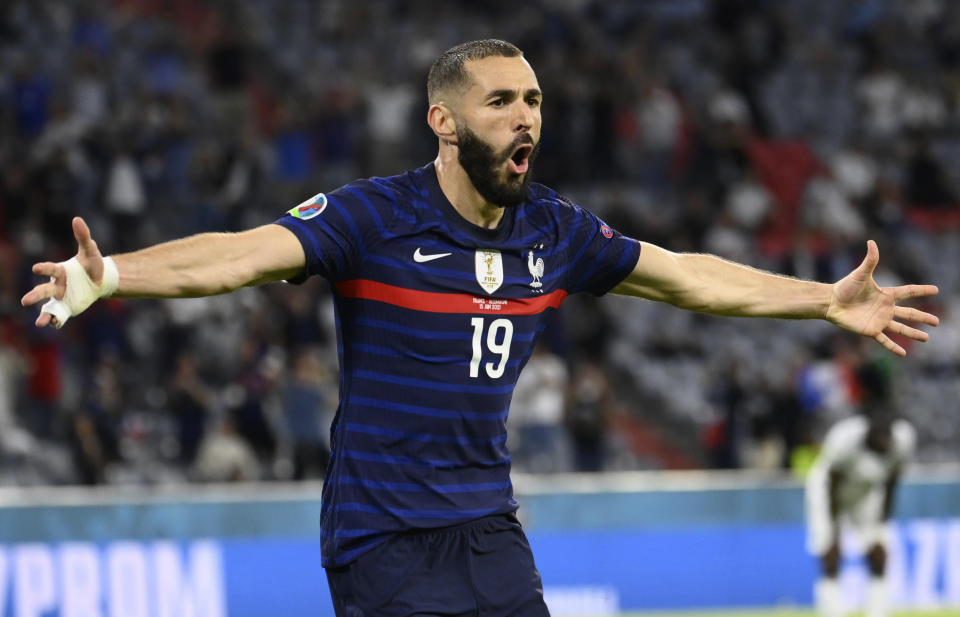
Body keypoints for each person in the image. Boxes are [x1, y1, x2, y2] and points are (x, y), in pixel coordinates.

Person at [21, 39, 938, 617]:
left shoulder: (559, 231)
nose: (526, 115)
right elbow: (238, 254)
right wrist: (116, 277)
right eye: (501, 101)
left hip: (489, 530)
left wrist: (820, 298)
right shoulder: (373, 218)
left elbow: (689, 277)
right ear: (444, 122)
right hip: (382, 541)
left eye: (533, 100)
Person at [805, 366, 916, 617]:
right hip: (826, 494)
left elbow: (891, 484)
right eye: (879, 437)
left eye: (887, 436)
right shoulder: (845, 438)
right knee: (831, 553)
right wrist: (833, 532)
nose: (884, 442)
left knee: (879, 552)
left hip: (865, 494)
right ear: (868, 433)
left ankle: (878, 611)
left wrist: (882, 525)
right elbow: (832, 484)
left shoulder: (903, 440)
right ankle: (831, 610)